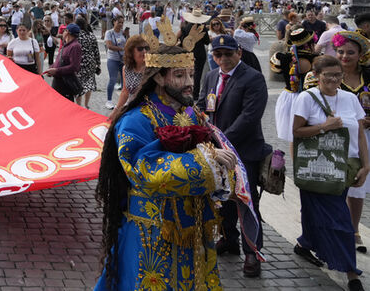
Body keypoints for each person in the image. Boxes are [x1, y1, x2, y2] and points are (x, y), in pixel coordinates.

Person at [94, 41, 239, 290]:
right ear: (159, 78)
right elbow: (143, 171)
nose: (189, 82)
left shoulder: (192, 114)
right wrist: (206, 160)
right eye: (180, 75)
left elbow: (213, 156)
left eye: (191, 74)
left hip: (193, 227)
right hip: (153, 229)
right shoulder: (135, 120)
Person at [291, 55, 369, 291]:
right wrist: (324, 126)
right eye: (328, 76)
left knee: (315, 213)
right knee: (341, 220)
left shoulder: (350, 98)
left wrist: (366, 166)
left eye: (338, 75)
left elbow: (359, 135)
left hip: (345, 167)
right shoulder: (307, 98)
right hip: (316, 169)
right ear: (316, 75)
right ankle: (351, 272)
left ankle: (305, 244)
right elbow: (297, 132)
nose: (334, 80)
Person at [200, 34, 270, 277]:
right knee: (222, 198)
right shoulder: (211, 76)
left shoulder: (253, 78)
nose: (223, 59)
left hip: (243, 150)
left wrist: (222, 141)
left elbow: (249, 117)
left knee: (246, 200)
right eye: (218, 54)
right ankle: (229, 238)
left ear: (239, 52)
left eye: (228, 54)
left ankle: (252, 251)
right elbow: (203, 105)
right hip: (217, 151)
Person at [331, 31, 370, 254]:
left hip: (365, 136)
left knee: (358, 184)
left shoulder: (368, 76)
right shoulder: (328, 74)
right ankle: (335, 227)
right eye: (340, 51)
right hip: (335, 137)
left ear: (360, 55)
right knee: (334, 182)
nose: (344, 56)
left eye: (350, 52)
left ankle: (354, 230)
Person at [273, 26, 318, 143]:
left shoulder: (281, 57)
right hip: (308, 98)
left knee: (293, 137)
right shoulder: (316, 59)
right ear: (309, 43)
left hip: (288, 98)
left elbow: (276, 70)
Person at [108, 35, 150, 123]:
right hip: (131, 108)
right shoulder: (126, 68)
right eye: (140, 49)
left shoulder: (151, 69)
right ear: (131, 52)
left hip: (147, 111)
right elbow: (125, 92)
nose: (144, 51)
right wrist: (116, 111)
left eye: (146, 48)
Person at [44, 23, 81, 101]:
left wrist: (57, 70)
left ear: (67, 32)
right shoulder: (66, 44)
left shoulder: (75, 46)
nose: (62, 33)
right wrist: (51, 69)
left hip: (65, 84)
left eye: (64, 31)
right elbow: (60, 61)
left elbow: (74, 66)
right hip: (58, 82)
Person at [75, 16, 100, 108]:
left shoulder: (75, 36)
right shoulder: (91, 35)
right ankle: (86, 104)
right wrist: (98, 64)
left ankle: (79, 105)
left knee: (78, 84)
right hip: (90, 62)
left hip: (78, 62)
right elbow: (96, 50)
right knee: (89, 83)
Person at [103, 16, 126, 110]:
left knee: (125, 81)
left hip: (123, 59)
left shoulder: (123, 32)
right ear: (114, 22)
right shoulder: (109, 33)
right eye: (119, 22)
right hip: (113, 58)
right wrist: (122, 49)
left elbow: (127, 43)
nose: (121, 24)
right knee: (112, 79)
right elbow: (109, 46)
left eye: (122, 22)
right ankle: (109, 101)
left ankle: (123, 102)